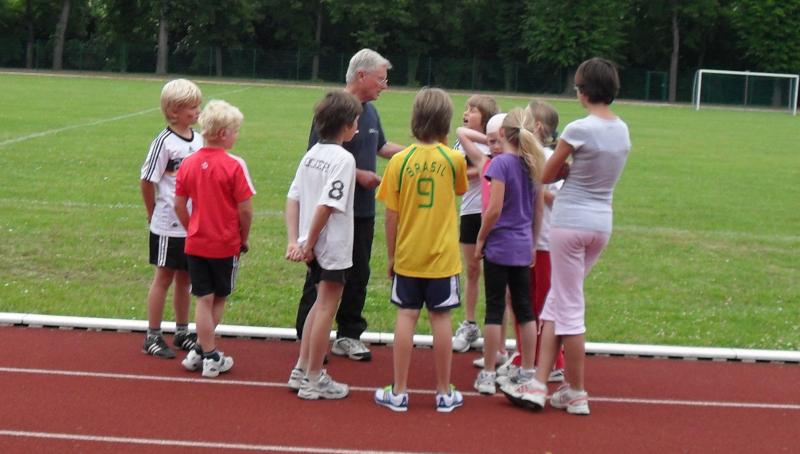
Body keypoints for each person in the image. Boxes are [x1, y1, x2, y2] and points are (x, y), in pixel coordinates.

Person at [508, 57, 631, 415]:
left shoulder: (579, 128)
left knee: (570, 309)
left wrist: (563, 167)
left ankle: (576, 391)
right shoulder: (622, 130)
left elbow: (545, 174)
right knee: (557, 303)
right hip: (601, 222)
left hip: (570, 222)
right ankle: (539, 383)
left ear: (584, 91)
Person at [295, 48, 404, 362]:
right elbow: (318, 156)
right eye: (381, 79)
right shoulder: (333, 110)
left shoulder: (371, 111)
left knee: (359, 273)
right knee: (322, 277)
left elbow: (382, 146)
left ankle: (348, 334)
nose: (385, 86)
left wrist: (417, 152)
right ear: (362, 75)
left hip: (363, 209)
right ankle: (308, 338)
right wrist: (359, 175)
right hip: (332, 211)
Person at [374, 88, 468, 412]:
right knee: (441, 319)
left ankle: (399, 391)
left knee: (406, 316)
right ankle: (443, 392)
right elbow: (459, 189)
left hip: (408, 255)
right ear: (446, 122)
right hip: (442, 257)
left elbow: (391, 215)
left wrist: (391, 256)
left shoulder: (399, 161)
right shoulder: (454, 159)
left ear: (415, 119)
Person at [285, 90, 362, 400]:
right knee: (327, 308)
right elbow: (327, 205)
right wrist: (309, 242)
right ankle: (314, 377)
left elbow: (293, 198)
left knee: (318, 304)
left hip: (313, 244)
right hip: (331, 245)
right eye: (356, 121)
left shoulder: (312, 154)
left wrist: (296, 240)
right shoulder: (344, 159)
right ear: (347, 124)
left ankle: (302, 368)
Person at [174, 100, 255, 378]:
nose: (237, 136)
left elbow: (179, 204)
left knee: (203, 298)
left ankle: (199, 350)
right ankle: (210, 355)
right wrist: (243, 237)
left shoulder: (188, 163)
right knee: (218, 297)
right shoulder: (234, 165)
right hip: (224, 243)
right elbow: (245, 210)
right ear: (223, 134)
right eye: (235, 131)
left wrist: (191, 228)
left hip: (196, 242)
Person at [473, 108, 545, 396]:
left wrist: (481, 238)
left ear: (502, 133)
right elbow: (538, 210)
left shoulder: (500, 163)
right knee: (524, 308)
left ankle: (489, 372)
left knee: (494, 308)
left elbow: (494, 208)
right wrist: (533, 243)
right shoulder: (533, 164)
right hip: (522, 244)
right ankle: (527, 369)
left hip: (500, 245)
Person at [498, 100, 567, 384]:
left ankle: (551, 361)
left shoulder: (547, 158)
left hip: (544, 243)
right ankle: (526, 355)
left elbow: (558, 199)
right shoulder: (526, 157)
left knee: (539, 304)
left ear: (537, 126)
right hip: (527, 240)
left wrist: (537, 188)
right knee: (521, 301)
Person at [139, 78, 203, 359]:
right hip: (167, 223)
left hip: (191, 223)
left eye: (198, 106)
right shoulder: (163, 143)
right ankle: (152, 335)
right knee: (163, 276)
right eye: (192, 107)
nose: (198, 111)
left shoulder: (199, 140)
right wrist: (152, 211)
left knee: (185, 278)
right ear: (174, 111)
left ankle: (182, 331)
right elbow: (147, 179)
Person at [451, 95, 500, 354]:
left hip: (494, 212)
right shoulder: (464, 141)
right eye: (466, 108)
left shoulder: (497, 143)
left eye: (473, 110)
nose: (466, 113)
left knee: (496, 274)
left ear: (487, 116)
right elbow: (460, 173)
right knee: (471, 269)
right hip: (470, 211)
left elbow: (484, 169)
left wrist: (481, 168)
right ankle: (470, 324)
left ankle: (497, 330)